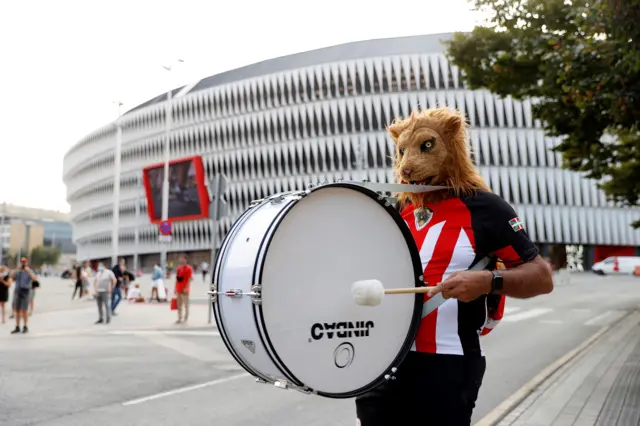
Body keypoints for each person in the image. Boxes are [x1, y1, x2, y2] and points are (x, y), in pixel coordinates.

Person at [355, 108, 554, 426]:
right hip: (383, 360)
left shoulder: (485, 207)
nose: (407, 166)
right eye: (402, 151)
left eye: (425, 146)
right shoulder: (397, 211)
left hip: (448, 364)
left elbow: (542, 277)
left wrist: (488, 281)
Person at [10, 257, 37, 334]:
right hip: (18, 291)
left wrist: (28, 271)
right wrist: (16, 269)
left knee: (24, 310)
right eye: (22, 262)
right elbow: (11, 276)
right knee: (17, 310)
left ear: (27, 263)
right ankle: (17, 326)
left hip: (25, 291)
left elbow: (34, 279)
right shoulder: (17, 271)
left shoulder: (29, 271)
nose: (23, 264)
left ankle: (25, 326)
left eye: (24, 262)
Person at [174, 254, 193, 324]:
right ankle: (179, 318)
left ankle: (186, 318)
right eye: (180, 259)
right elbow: (177, 279)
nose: (181, 260)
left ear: (185, 260)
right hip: (179, 289)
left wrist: (187, 287)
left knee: (186, 305)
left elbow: (190, 278)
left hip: (185, 290)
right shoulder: (179, 268)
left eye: (182, 259)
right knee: (179, 305)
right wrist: (175, 288)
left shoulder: (189, 268)